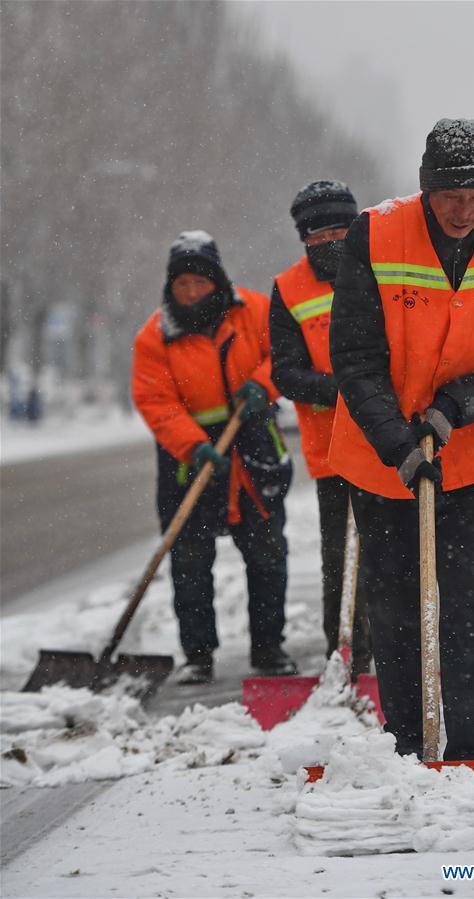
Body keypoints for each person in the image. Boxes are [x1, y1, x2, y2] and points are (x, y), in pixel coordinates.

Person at [328, 119, 474, 760]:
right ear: (426, 187)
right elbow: (355, 355)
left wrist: (456, 407)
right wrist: (399, 444)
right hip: (381, 458)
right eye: (452, 195)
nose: (464, 211)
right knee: (397, 601)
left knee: (470, 599)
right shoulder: (374, 235)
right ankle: (408, 743)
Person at [132, 231, 297, 684]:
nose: (190, 292)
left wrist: (263, 385)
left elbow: (285, 351)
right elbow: (156, 400)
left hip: (253, 446)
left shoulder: (255, 311)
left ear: (217, 281)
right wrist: (193, 445)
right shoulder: (156, 336)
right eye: (181, 284)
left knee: (266, 553)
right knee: (188, 558)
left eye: (199, 283)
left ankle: (269, 648)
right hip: (190, 457)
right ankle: (198, 655)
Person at [270, 180, 371, 678]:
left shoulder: (379, 270)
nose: (332, 240)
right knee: (340, 557)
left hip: (386, 443)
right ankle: (344, 655)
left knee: (389, 553)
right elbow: (286, 373)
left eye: (341, 228)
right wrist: (343, 387)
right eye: (320, 233)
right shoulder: (288, 289)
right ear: (304, 238)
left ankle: (392, 653)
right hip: (332, 449)